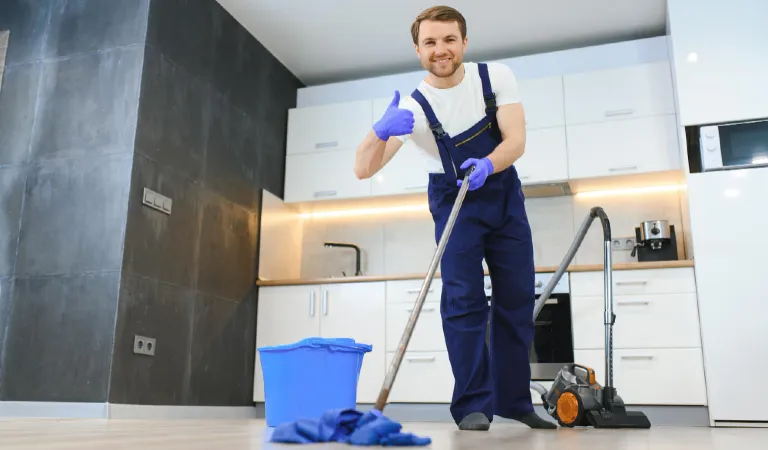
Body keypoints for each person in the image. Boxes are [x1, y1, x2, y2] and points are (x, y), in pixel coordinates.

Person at [353, 5, 556, 431]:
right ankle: (471, 406)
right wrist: (379, 130)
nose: (441, 49)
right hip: (453, 199)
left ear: (464, 41)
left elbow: (515, 141)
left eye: (449, 39)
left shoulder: (495, 77)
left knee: (517, 297)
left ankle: (516, 401)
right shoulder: (415, 106)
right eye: (430, 42)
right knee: (463, 301)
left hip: (500, 191)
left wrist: (486, 164)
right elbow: (363, 169)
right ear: (417, 49)